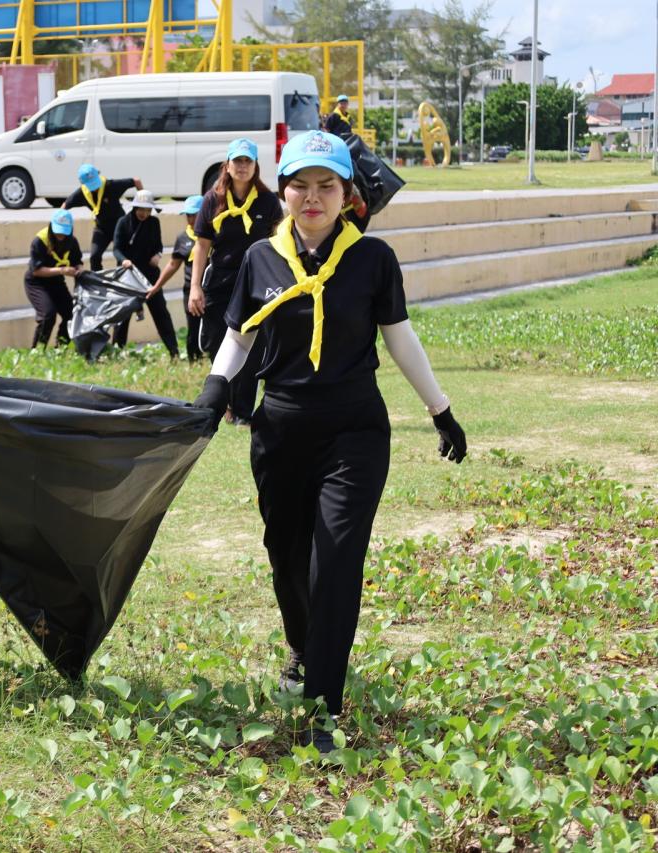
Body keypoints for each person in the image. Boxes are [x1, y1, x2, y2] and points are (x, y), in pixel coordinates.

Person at [192, 130, 467, 753]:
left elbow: (399, 336)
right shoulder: (263, 257)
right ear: (282, 192)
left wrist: (440, 410)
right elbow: (239, 332)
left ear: (348, 196)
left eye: (327, 186)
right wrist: (215, 386)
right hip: (281, 430)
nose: (312, 197)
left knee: (336, 560)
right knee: (287, 556)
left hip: (354, 430)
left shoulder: (372, 259)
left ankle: (325, 702)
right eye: (300, 186)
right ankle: (300, 647)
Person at [188, 139, 282, 422]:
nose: (242, 167)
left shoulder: (267, 201)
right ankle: (221, 403)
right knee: (219, 340)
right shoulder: (212, 200)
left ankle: (242, 410)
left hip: (256, 279)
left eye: (247, 162)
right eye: (237, 161)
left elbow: (278, 242)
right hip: (221, 278)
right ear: (227, 166)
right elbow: (202, 246)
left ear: (255, 167)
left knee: (252, 345)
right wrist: (195, 287)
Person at [112, 190, 179, 357]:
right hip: (129, 275)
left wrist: (158, 255)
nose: (144, 213)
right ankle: (117, 350)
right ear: (135, 207)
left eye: (148, 210)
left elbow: (158, 245)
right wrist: (123, 260)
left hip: (149, 275)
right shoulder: (123, 222)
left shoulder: (154, 223)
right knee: (123, 315)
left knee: (160, 312)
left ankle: (174, 351)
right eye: (141, 209)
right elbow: (116, 249)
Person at [153, 195, 205, 361]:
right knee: (193, 327)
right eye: (188, 215)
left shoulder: (215, 234)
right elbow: (173, 264)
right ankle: (193, 359)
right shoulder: (183, 237)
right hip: (191, 290)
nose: (190, 219)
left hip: (213, 289)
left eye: (194, 215)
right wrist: (156, 286)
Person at [62, 164, 142, 271]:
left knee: (122, 257)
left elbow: (136, 180)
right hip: (101, 229)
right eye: (91, 185)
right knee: (94, 257)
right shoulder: (82, 193)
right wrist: (60, 220)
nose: (95, 188)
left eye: (95, 183)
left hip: (119, 227)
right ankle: (98, 283)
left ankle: (122, 281)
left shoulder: (110, 185)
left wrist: (142, 204)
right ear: (83, 183)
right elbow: (64, 206)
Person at [24, 209, 82, 348]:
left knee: (71, 314)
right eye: (58, 231)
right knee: (48, 315)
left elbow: (77, 261)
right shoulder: (40, 241)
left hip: (56, 281)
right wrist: (62, 270)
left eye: (64, 231)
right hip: (36, 282)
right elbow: (36, 270)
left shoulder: (72, 241)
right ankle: (37, 351)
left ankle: (60, 348)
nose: (61, 235)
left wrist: (79, 270)